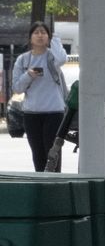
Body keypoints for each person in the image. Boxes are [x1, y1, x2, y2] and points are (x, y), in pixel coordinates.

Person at [11, 22, 68, 171]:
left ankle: (55, 185)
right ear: (30, 38)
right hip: (31, 114)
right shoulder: (23, 60)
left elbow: (62, 59)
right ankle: (41, 186)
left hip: (54, 113)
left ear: (48, 37)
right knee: (38, 153)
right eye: (36, 33)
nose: (40, 35)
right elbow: (17, 88)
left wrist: (55, 38)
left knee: (53, 153)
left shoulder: (52, 57)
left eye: (44, 32)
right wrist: (28, 75)